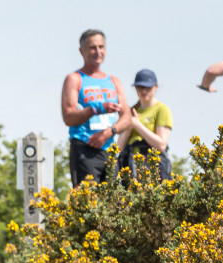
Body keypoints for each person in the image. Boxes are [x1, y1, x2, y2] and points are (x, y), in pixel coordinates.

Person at [61, 29, 131, 187]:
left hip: (109, 149)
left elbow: (127, 117)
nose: (98, 52)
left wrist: (109, 132)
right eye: (93, 47)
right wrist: (96, 108)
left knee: (112, 205)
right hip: (85, 148)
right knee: (88, 206)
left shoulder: (114, 81)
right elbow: (68, 117)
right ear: (82, 51)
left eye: (101, 47)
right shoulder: (74, 79)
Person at [116, 69, 174, 181]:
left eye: (148, 88)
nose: (144, 91)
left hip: (153, 167)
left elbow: (161, 145)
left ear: (155, 87)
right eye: (140, 87)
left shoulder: (162, 109)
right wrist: (129, 126)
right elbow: (118, 148)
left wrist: (137, 125)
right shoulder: (131, 111)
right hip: (130, 166)